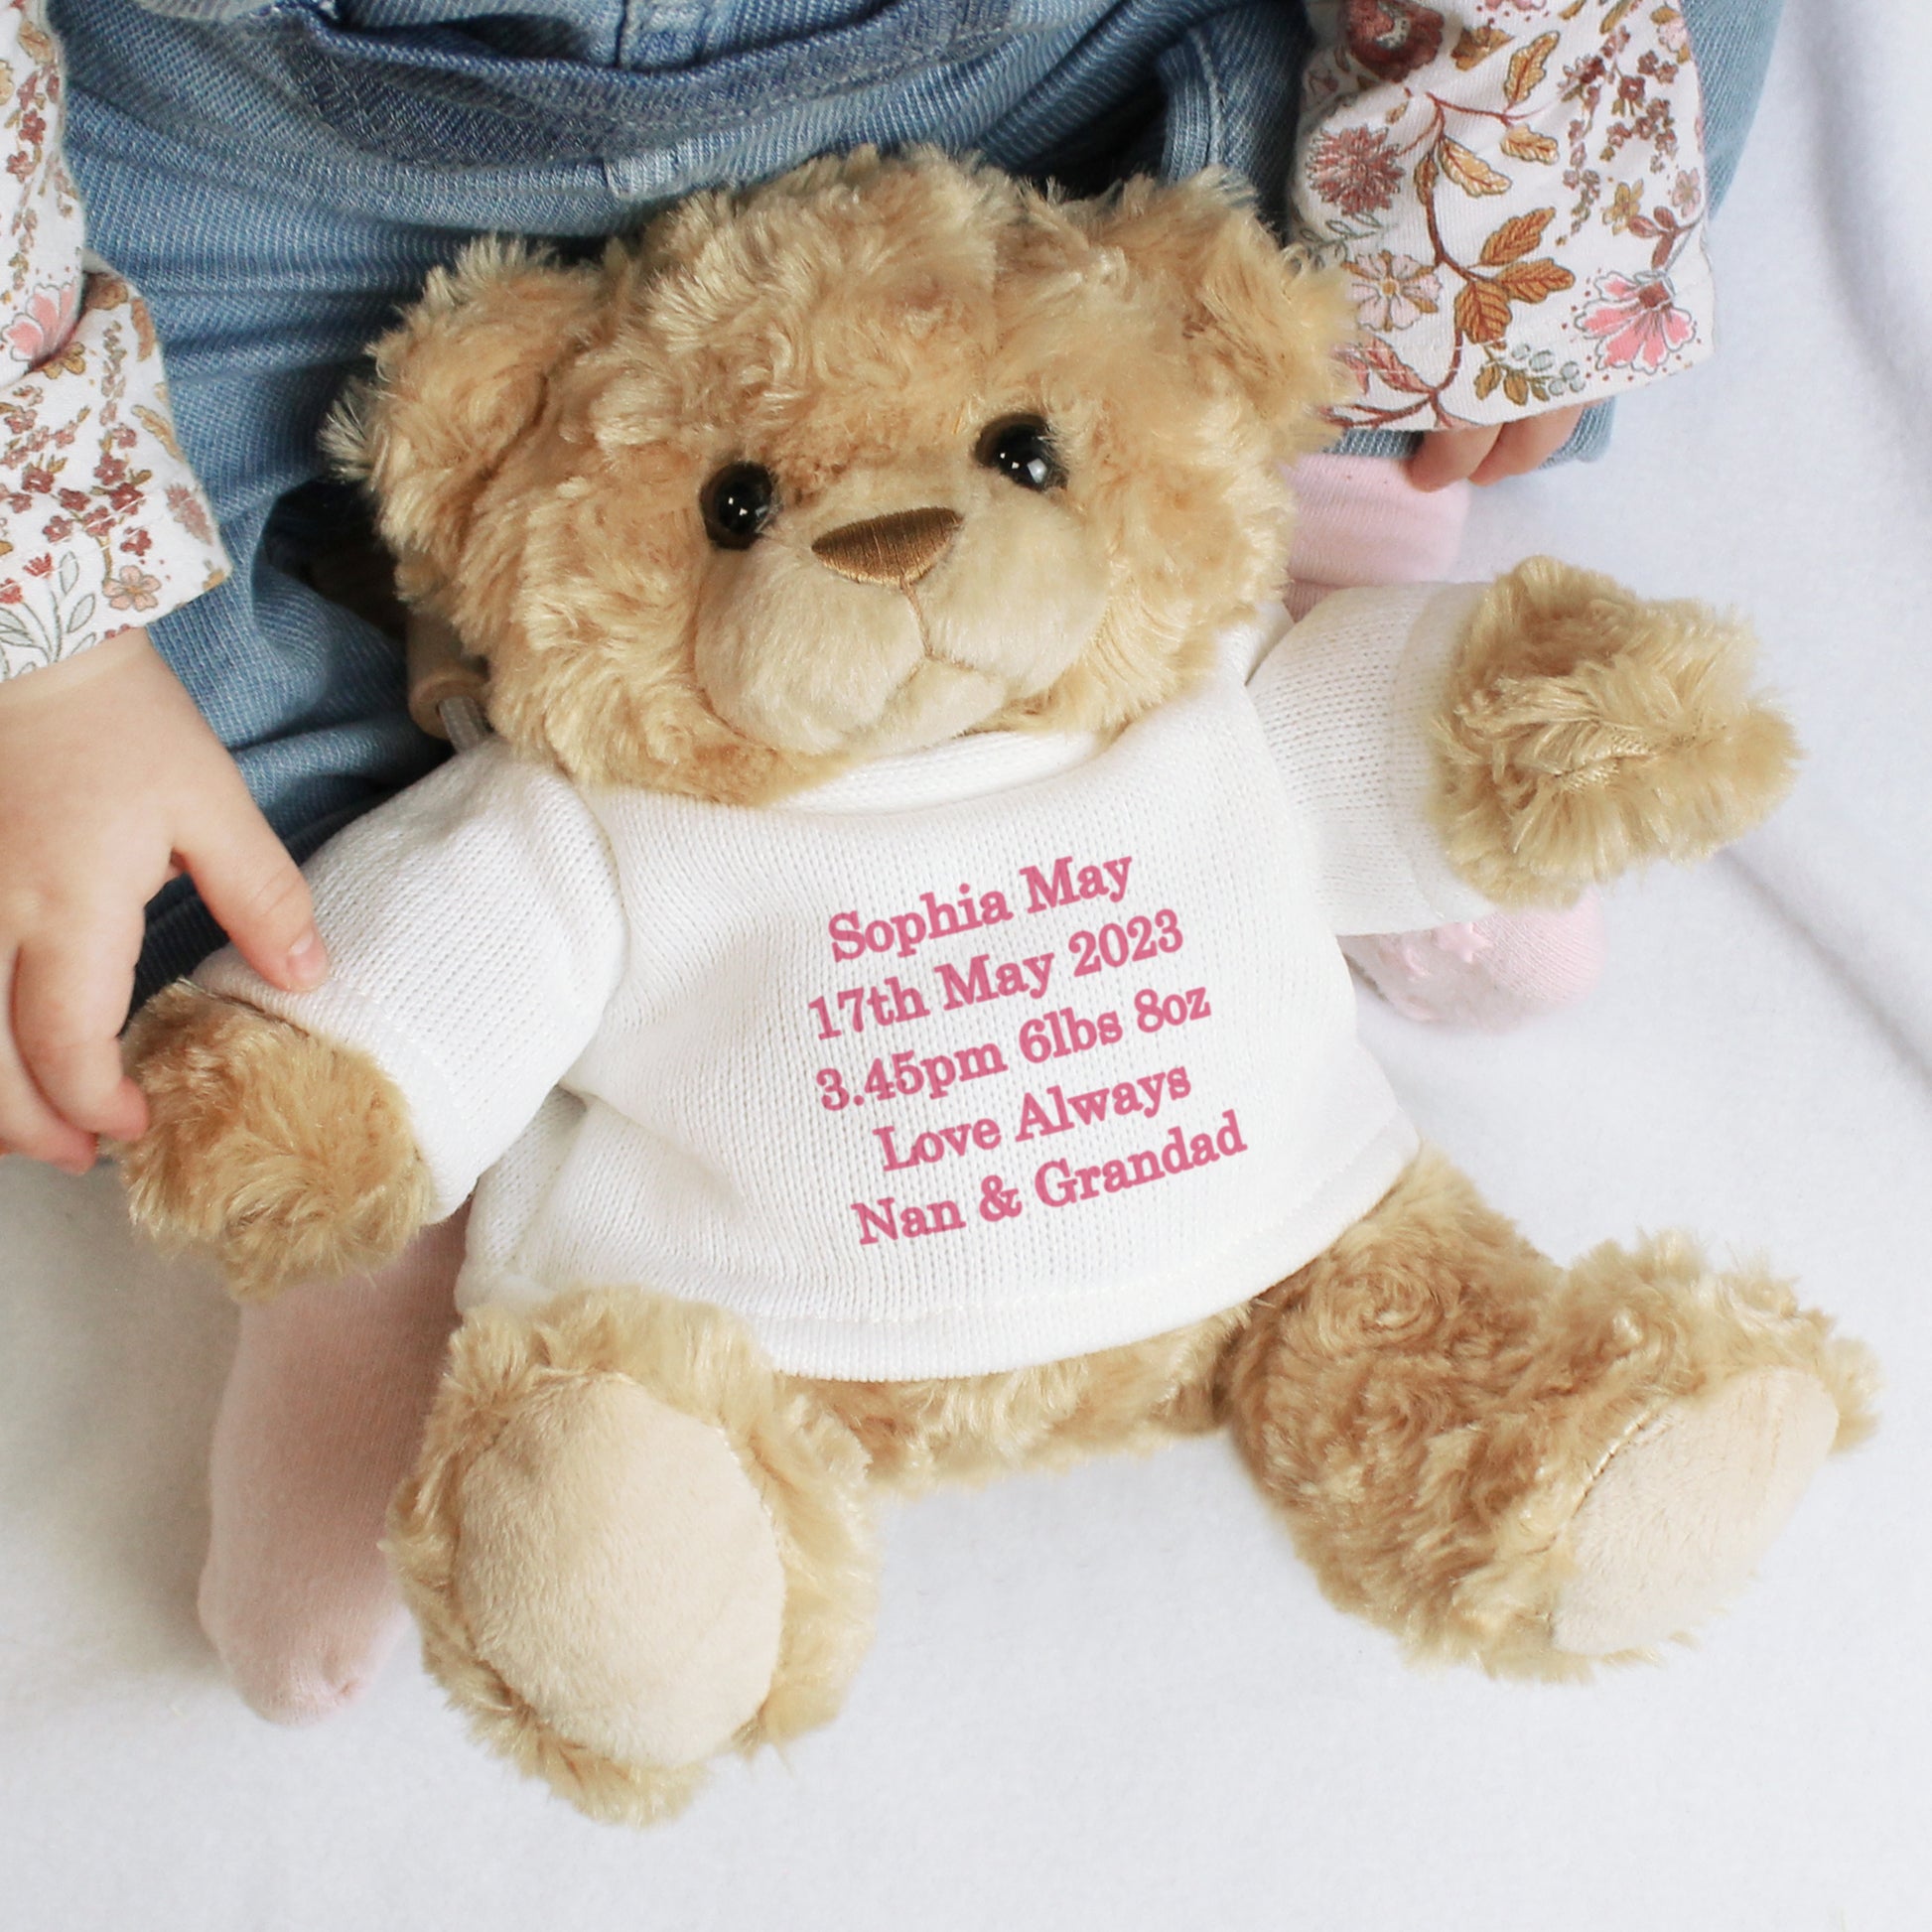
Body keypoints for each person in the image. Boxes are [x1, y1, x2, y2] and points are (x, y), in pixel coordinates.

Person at [0, 0, 1782, 1716]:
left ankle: (1314, 577)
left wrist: (1512, 101)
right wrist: (51, 646)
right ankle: (401, 1112)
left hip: (1041, 80)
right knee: (136, 828)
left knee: (1589, 113)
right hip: (273, 168)